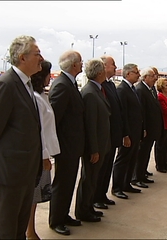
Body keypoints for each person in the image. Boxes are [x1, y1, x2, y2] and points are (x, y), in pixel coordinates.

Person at [0, 35, 44, 239]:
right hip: (10, 172)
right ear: (22, 58)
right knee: (6, 229)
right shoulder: (6, 85)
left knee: (19, 229)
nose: (41, 58)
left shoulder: (26, 84)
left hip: (25, 171)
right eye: (37, 53)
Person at [48, 50, 85, 235]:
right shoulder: (62, 85)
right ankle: (56, 220)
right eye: (80, 61)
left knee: (69, 182)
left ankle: (64, 214)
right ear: (73, 65)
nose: (82, 64)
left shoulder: (70, 84)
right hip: (65, 146)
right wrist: (56, 146)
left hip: (73, 145)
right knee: (62, 183)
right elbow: (54, 118)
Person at [26, 60, 60, 240]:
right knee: (32, 196)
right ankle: (30, 231)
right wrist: (45, 156)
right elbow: (38, 130)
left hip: (44, 152)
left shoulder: (42, 95)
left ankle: (30, 229)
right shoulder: (36, 98)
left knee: (36, 196)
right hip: (40, 154)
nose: (50, 78)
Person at [75, 58, 111, 222]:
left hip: (102, 143)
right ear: (98, 73)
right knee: (88, 179)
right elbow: (90, 124)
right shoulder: (89, 92)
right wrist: (94, 149)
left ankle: (89, 207)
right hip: (95, 146)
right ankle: (83, 211)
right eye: (103, 69)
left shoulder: (97, 90)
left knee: (93, 179)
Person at [93, 55, 123, 210]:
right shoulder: (100, 86)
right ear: (104, 66)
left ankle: (102, 194)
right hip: (104, 136)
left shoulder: (110, 85)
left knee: (107, 168)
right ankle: (95, 197)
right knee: (99, 170)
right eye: (113, 65)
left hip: (112, 135)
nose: (116, 67)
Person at [111, 63, 144, 199]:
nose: (138, 74)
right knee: (123, 159)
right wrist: (125, 134)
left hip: (135, 131)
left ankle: (127, 183)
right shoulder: (122, 90)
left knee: (132, 158)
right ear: (128, 74)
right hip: (128, 132)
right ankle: (117, 187)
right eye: (136, 72)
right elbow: (122, 114)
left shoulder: (132, 89)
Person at [131, 67, 163, 188]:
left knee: (146, 153)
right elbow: (141, 111)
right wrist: (143, 128)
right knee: (141, 153)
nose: (155, 78)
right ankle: (136, 177)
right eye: (152, 76)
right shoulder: (140, 89)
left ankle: (142, 173)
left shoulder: (151, 89)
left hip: (152, 128)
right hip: (146, 128)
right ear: (146, 77)